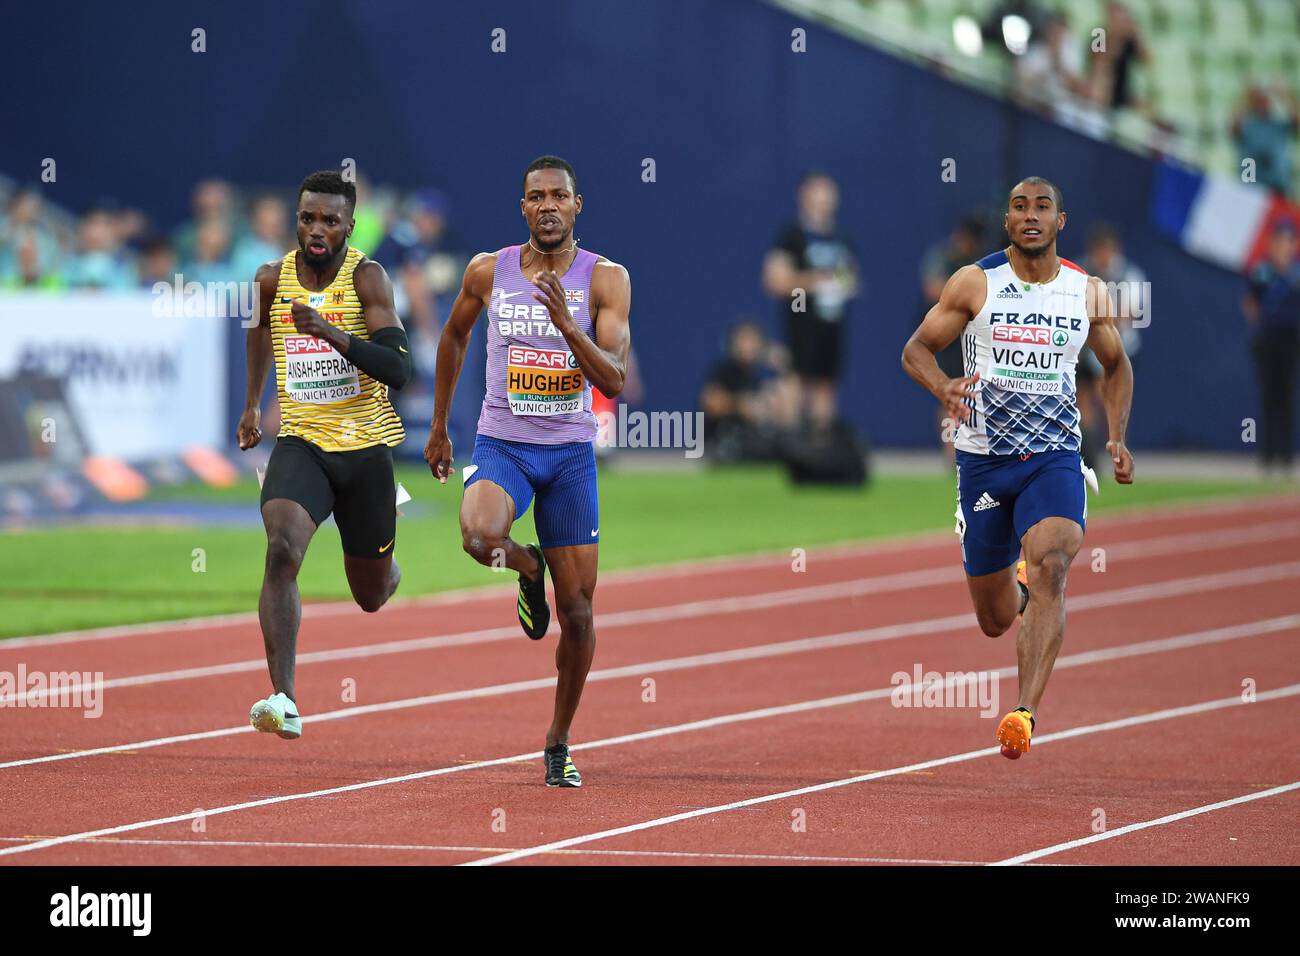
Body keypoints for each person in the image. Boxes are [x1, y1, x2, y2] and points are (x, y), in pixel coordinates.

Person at [901, 176, 1135, 759]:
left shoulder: (1087, 292)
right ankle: (1018, 589)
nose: (1030, 216)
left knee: (1054, 558)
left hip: (1055, 456)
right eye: (1018, 207)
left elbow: (1116, 365)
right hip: (983, 463)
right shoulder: (975, 283)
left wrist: (1117, 439)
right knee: (994, 618)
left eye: (1042, 207)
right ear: (1007, 221)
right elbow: (916, 349)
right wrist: (943, 386)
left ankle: (1023, 714)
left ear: (1062, 221)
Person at [424, 156, 631, 788]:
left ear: (577, 205)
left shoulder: (606, 279)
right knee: (479, 538)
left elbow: (614, 379)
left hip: (568, 455)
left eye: (558, 196)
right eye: (536, 196)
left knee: (581, 615)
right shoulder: (489, 270)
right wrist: (438, 426)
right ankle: (528, 565)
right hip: (502, 443)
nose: (547, 205)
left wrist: (569, 327)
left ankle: (558, 740)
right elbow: (454, 337)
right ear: (523, 208)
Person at [237, 170, 412, 740]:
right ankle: (283, 697)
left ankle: (388, 572)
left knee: (369, 595)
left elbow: (398, 368)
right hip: (302, 443)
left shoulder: (368, 277)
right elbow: (259, 332)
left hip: (365, 453)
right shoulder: (271, 278)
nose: (317, 230)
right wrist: (251, 404)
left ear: (349, 225)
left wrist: (332, 333)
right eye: (308, 217)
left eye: (330, 221)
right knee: (281, 547)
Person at [762, 171, 859, 433]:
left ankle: (821, 450)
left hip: (831, 324)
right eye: (819, 192)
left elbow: (851, 278)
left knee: (826, 386)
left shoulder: (841, 238)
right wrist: (816, 280)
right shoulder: (792, 236)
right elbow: (775, 280)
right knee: (796, 381)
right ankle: (789, 447)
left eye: (829, 193)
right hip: (802, 324)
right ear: (804, 196)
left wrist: (844, 283)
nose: (825, 199)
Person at [920, 216, 986, 464]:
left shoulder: (979, 261)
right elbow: (932, 289)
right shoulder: (943, 257)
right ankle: (952, 455)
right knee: (949, 392)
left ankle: (972, 450)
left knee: (973, 392)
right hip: (945, 334)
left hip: (972, 335)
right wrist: (965, 295)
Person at [1243, 222, 1300, 476]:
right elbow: (1250, 302)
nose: (1282, 247)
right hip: (1267, 341)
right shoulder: (1262, 271)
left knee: (1287, 398)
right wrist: (1259, 326)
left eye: (1287, 242)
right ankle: (1267, 458)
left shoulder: (1296, 273)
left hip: (1291, 340)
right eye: (1278, 242)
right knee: (1268, 398)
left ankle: (1287, 458)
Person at [699, 320, 791, 462]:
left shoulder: (760, 376)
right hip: (723, 441)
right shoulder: (725, 371)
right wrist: (742, 405)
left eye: (754, 341)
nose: (749, 346)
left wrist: (783, 369)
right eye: (744, 340)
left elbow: (785, 414)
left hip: (752, 440)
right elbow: (711, 403)